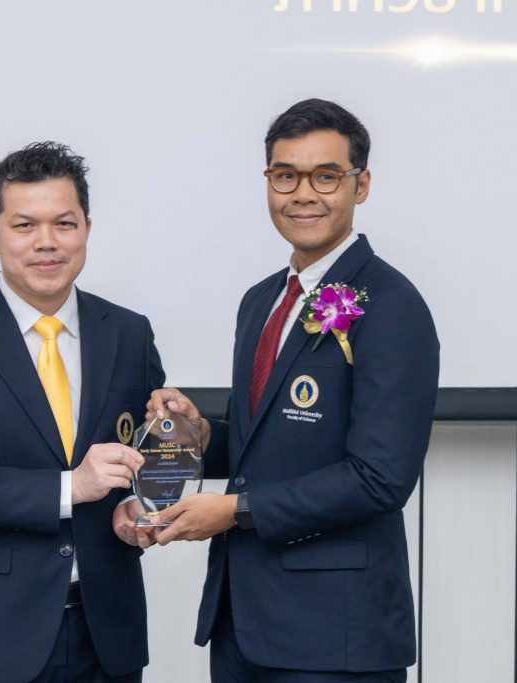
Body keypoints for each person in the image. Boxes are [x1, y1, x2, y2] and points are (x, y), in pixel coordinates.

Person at [135, 99, 439, 682]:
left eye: (326, 176)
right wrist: (201, 435)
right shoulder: (262, 301)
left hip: (335, 636)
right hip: (243, 624)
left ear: (361, 185)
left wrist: (234, 511)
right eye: (285, 176)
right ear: (268, 182)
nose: (302, 194)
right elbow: (263, 448)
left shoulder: (392, 306)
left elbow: (380, 478)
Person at [0, 142, 163, 683]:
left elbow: (147, 456)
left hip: (107, 635)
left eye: (64, 223)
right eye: (24, 226)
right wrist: (73, 487)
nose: (47, 242)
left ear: (86, 229)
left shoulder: (129, 333)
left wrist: (139, 506)